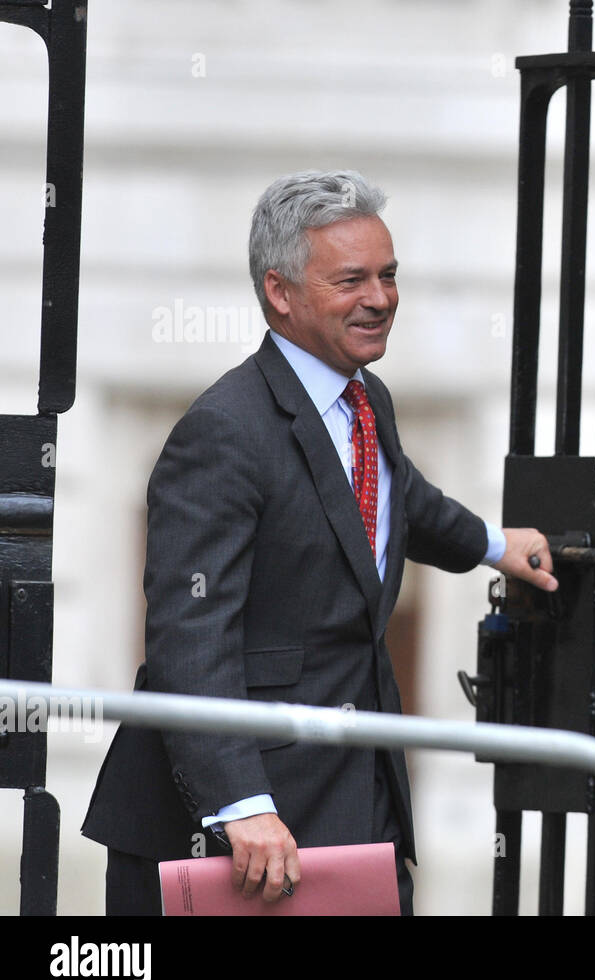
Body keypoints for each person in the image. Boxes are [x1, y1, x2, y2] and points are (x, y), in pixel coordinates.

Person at [81, 169, 557, 915]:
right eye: (352, 280)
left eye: (389, 276)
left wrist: (496, 545)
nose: (380, 298)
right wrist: (239, 803)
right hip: (236, 821)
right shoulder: (224, 433)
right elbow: (189, 633)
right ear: (280, 292)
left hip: (352, 791)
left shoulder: (367, 400)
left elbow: (398, 499)